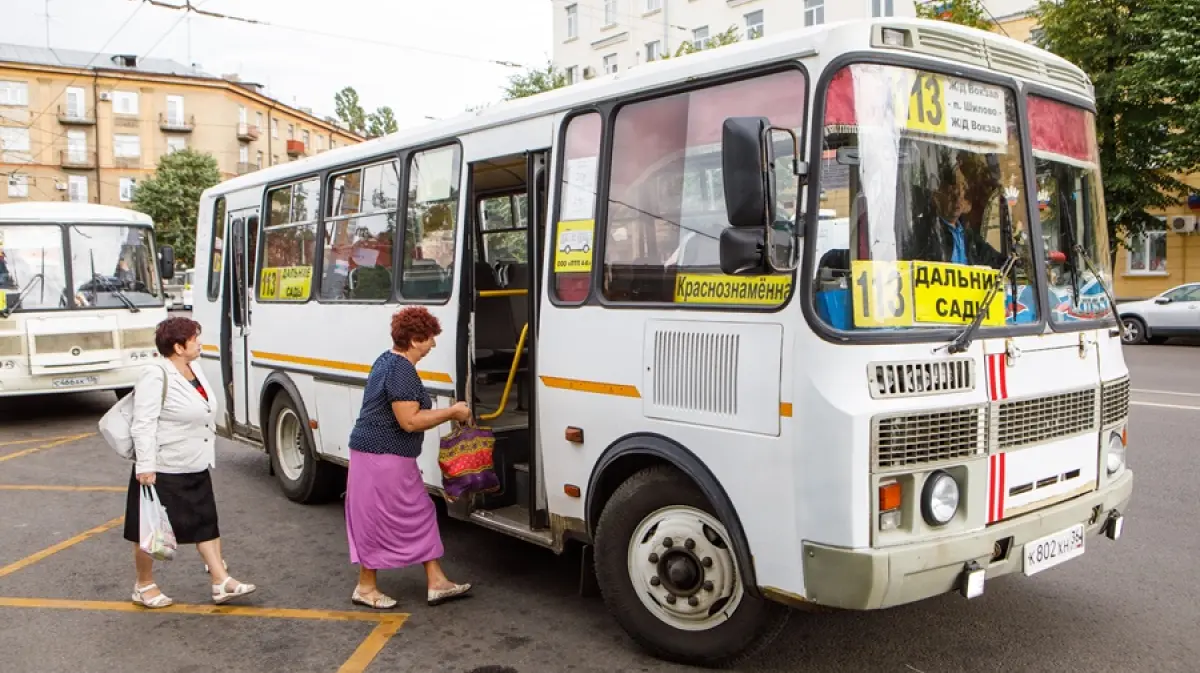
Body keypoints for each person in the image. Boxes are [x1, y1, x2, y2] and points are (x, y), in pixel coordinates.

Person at [345, 306, 473, 609]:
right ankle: (365, 587)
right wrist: (453, 412)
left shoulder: (387, 361)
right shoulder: (400, 369)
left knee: (419, 511)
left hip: (381, 456)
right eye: (430, 338)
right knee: (382, 518)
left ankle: (437, 581)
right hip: (382, 457)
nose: (433, 345)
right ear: (415, 340)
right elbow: (410, 421)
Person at [124, 316, 256, 608]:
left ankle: (220, 581)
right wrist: (145, 466)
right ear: (178, 346)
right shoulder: (155, 374)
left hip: (195, 462)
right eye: (195, 338)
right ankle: (143, 584)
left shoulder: (193, 368)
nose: (199, 343)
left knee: (205, 523)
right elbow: (142, 423)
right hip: (163, 466)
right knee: (149, 529)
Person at [909, 159, 1007, 270]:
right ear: (937, 196)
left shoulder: (969, 237)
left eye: (961, 193)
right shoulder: (927, 232)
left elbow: (998, 262)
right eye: (952, 194)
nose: (958, 200)